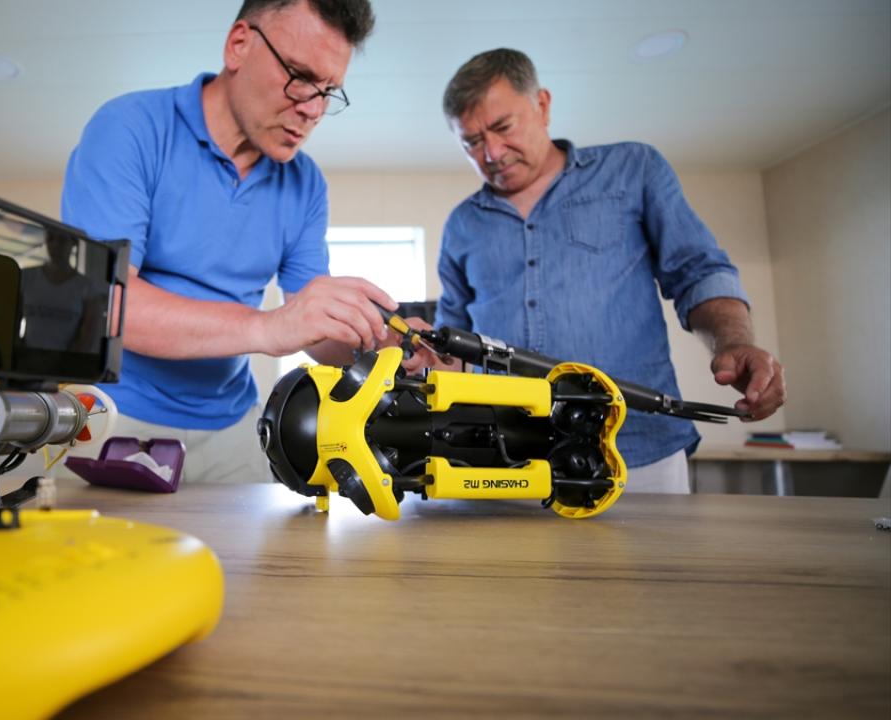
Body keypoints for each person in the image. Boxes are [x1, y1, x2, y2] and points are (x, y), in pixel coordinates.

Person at [60, 0, 397, 483]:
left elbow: (313, 327)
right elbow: (107, 305)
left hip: (235, 425)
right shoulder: (130, 127)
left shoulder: (305, 183)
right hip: (110, 412)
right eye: (299, 76)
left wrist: (384, 345)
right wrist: (269, 326)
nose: (313, 109)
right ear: (239, 44)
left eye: (328, 91)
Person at [432, 48, 786, 494]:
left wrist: (735, 342)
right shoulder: (462, 224)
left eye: (503, 128)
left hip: (636, 450)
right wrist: (424, 356)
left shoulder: (633, 170)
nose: (492, 153)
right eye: (472, 142)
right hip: (504, 458)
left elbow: (697, 271)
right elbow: (454, 339)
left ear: (542, 104)